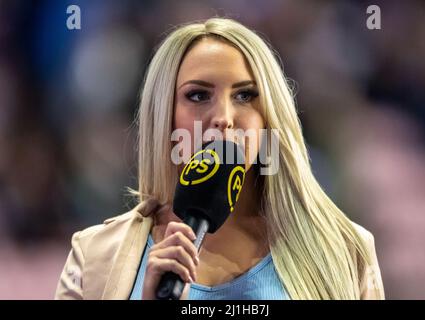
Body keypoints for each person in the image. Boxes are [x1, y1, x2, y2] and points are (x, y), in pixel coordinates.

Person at [55, 18, 384, 300]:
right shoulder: (95, 256)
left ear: (269, 118)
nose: (223, 118)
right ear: (164, 117)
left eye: (245, 95)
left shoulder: (346, 249)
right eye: (198, 95)